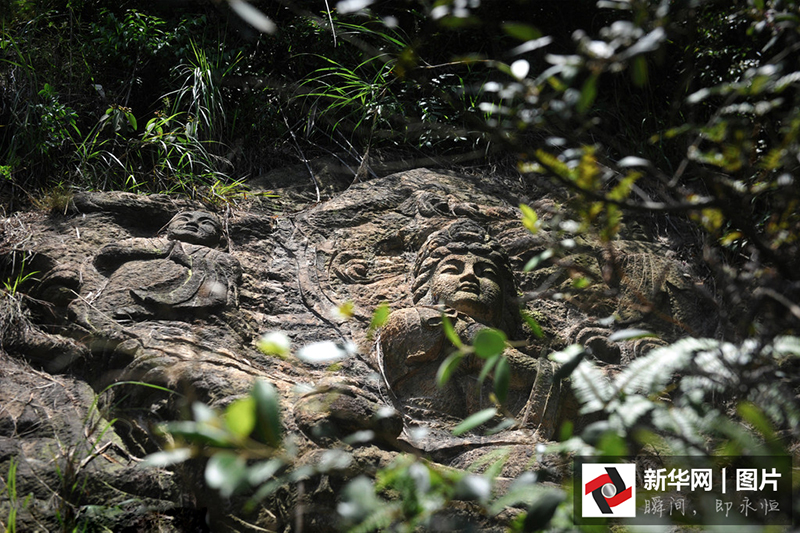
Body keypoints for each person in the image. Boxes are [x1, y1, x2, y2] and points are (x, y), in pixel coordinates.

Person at [378, 220, 560, 435]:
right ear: (427, 284)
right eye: (452, 269)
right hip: (430, 437)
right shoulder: (414, 320)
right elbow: (515, 368)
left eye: (486, 273)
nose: (469, 275)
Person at [92, 210, 241, 320]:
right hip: (124, 287)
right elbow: (106, 254)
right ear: (166, 229)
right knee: (105, 313)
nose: (192, 223)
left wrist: (185, 258)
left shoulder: (217, 255)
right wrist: (159, 251)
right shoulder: (146, 242)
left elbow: (225, 283)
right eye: (184, 218)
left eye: (206, 223)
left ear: (221, 242)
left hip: (184, 305)